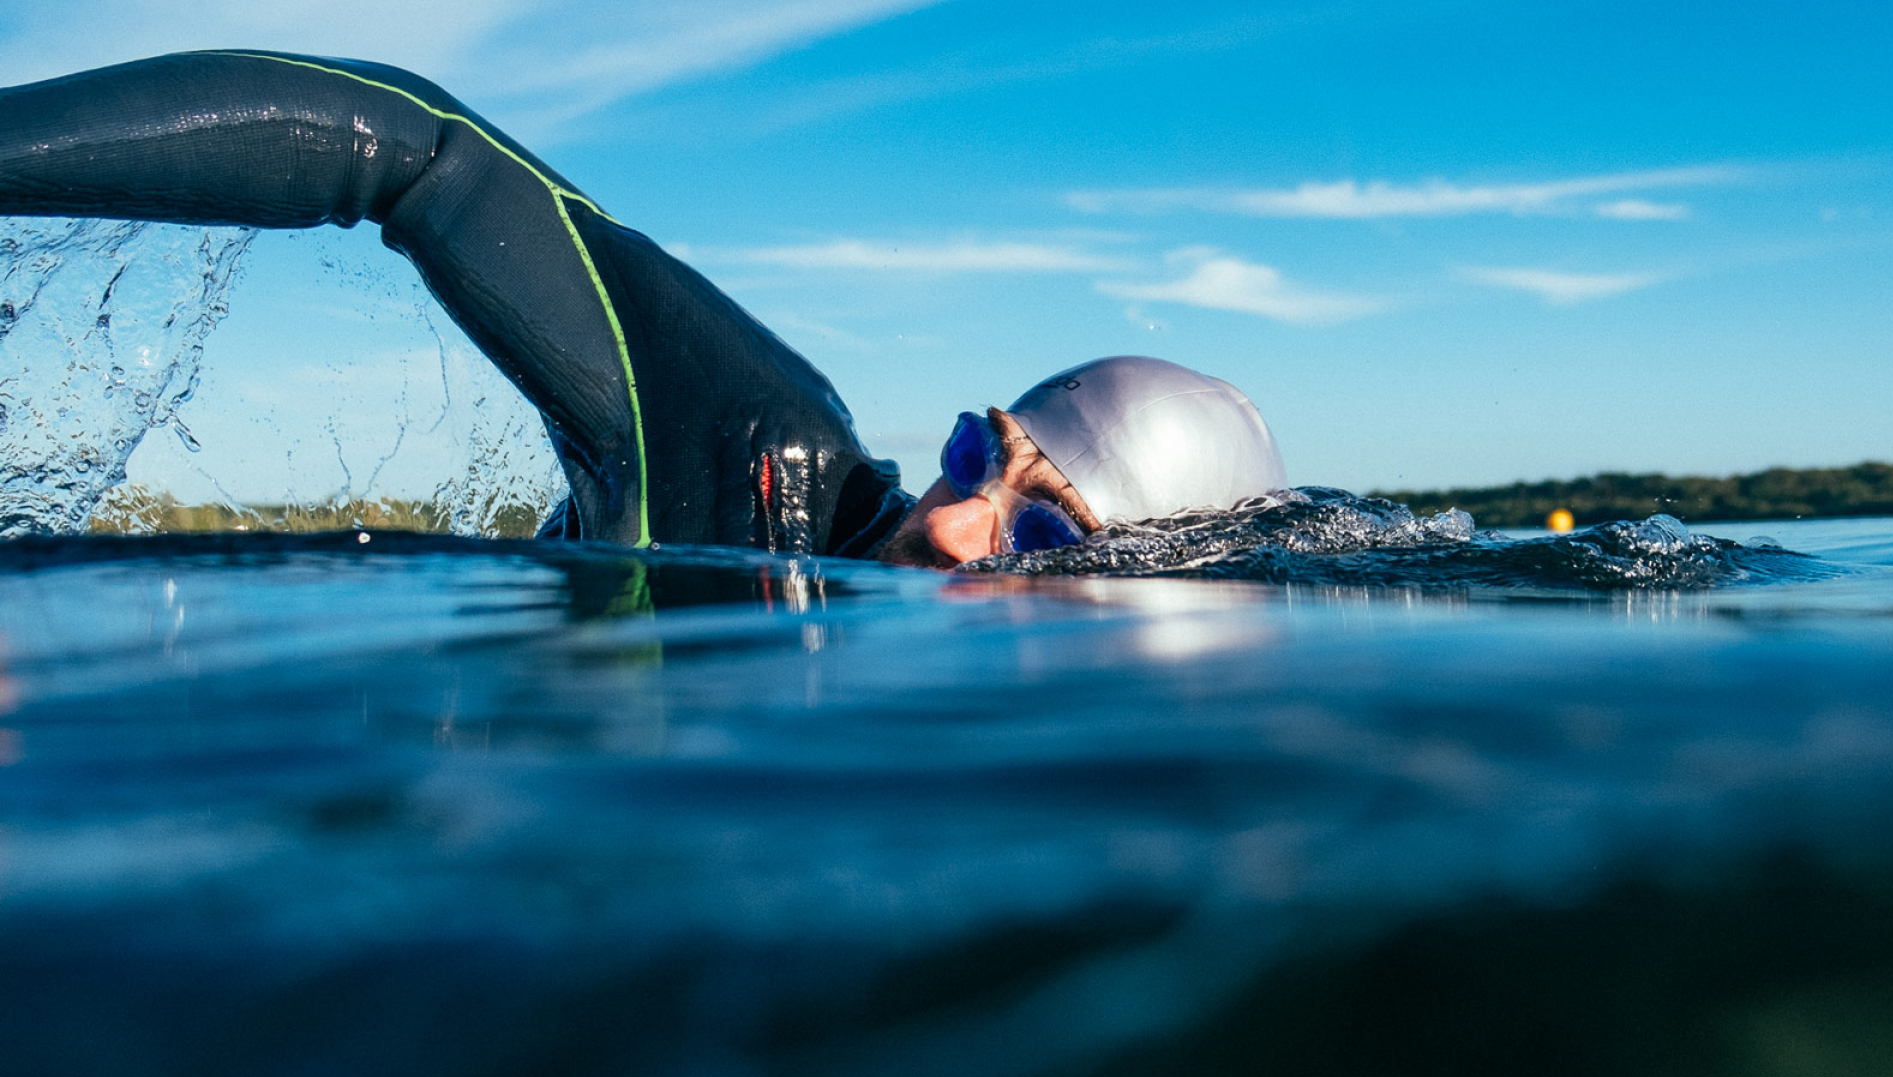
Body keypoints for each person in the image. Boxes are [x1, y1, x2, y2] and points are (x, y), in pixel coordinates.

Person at [0, 51, 1286, 568]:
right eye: (976, 456)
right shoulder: (765, 456)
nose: (957, 527)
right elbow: (417, 147)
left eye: (1045, 541)